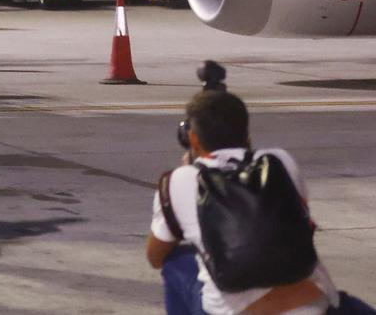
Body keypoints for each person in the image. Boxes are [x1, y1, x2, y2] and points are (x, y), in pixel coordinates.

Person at [145, 88, 376, 314]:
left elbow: (155, 256)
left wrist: (188, 174)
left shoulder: (179, 180)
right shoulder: (280, 161)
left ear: (193, 139)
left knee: (175, 261)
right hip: (313, 304)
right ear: (247, 136)